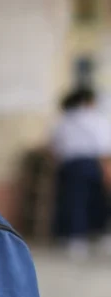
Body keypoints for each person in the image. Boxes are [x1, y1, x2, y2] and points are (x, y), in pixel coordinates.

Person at [51, 87, 111, 259]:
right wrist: (106, 169)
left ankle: (75, 239)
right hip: (92, 163)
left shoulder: (62, 121)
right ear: (87, 101)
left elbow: (54, 147)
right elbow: (104, 147)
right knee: (96, 200)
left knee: (73, 201)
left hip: (69, 165)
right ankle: (96, 235)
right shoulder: (95, 119)